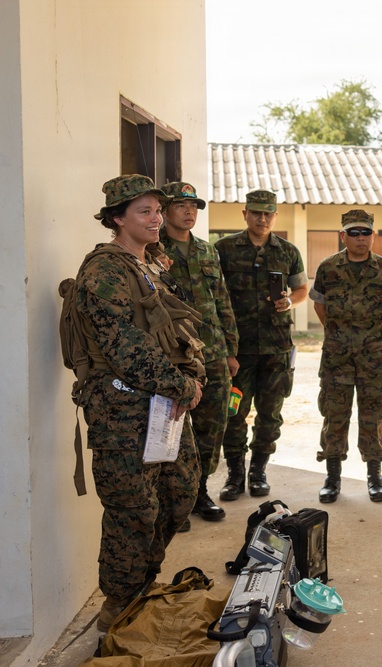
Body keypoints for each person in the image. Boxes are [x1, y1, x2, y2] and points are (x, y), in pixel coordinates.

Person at [77, 175, 205, 632]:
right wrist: (181, 385)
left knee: (178, 494)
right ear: (117, 218)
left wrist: (194, 373)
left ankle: (141, 586)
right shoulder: (105, 271)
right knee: (133, 513)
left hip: (162, 408)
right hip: (123, 414)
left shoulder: (151, 265)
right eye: (144, 212)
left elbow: (174, 331)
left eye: (157, 211)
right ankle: (117, 610)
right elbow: (125, 347)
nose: (156, 219)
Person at [215, 190, 308, 500]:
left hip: (276, 349)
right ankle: (234, 474)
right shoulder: (224, 249)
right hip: (238, 349)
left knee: (270, 414)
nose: (262, 218)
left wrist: (289, 302)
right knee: (233, 413)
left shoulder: (287, 251)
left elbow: (302, 289)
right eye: (256, 212)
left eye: (268, 213)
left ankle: (258, 472)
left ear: (275, 216)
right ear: (245, 214)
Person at [159, 182, 239, 527]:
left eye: (194, 207)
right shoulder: (151, 251)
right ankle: (174, 498)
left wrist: (232, 350)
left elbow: (222, 300)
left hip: (213, 351)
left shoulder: (207, 251)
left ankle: (200, 491)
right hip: (173, 352)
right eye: (181, 206)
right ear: (165, 211)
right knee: (173, 424)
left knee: (212, 424)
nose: (189, 212)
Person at [311, 209, 382, 503]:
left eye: (365, 232)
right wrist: (341, 333)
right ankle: (332, 477)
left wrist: (367, 332)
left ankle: (375, 476)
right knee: (334, 416)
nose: (360, 238)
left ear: (373, 236)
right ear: (343, 236)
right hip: (336, 357)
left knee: (373, 415)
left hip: (373, 358)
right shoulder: (328, 268)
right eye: (354, 232)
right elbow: (320, 306)